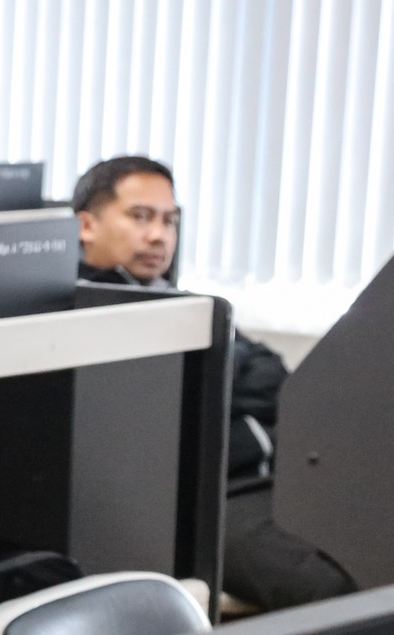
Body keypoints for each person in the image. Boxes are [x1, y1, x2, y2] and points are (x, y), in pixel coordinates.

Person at [72, 155, 353, 610]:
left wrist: (223, 376)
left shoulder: (180, 300)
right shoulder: (80, 310)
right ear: (87, 226)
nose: (158, 235)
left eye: (169, 220)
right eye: (140, 217)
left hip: (278, 478)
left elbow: (271, 373)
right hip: (205, 500)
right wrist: (228, 375)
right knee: (334, 587)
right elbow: (170, 405)